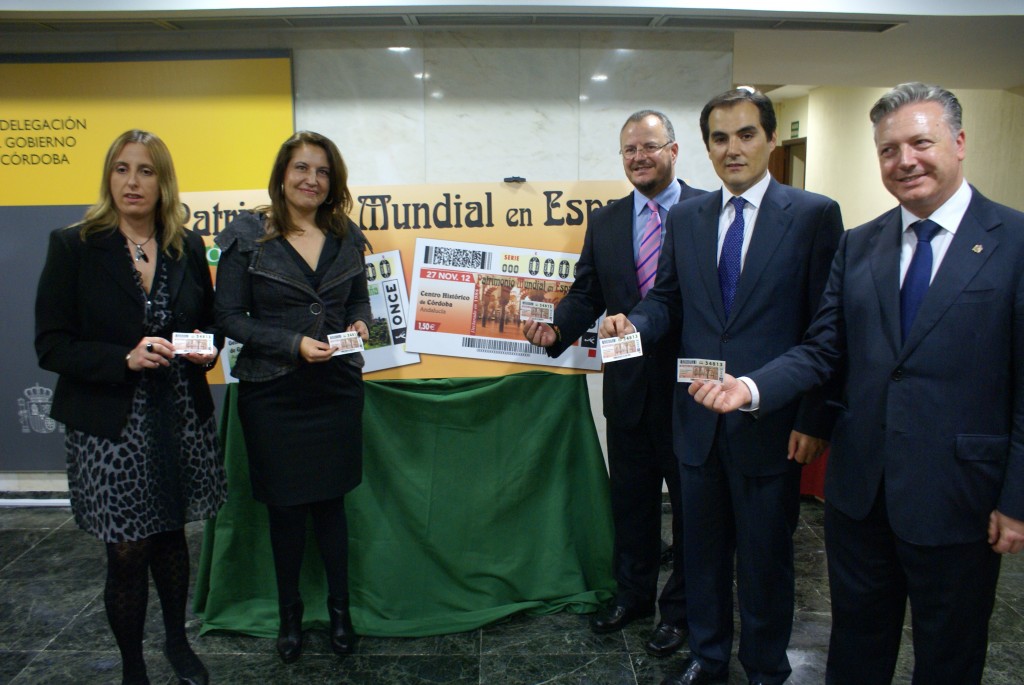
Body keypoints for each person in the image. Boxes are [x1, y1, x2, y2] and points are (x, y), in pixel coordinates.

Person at [689, 82, 1024, 685]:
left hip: (959, 497)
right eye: (888, 150)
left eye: (920, 143)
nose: (904, 161)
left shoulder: (1015, 242)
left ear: (959, 142)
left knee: (949, 657)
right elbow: (825, 348)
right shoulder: (861, 243)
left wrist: (1018, 499)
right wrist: (753, 388)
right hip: (860, 493)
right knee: (855, 651)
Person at [602, 88, 844, 685]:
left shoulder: (813, 215)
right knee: (701, 554)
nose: (732, 149)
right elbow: (668, 298)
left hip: (771, 423)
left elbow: (828, 328)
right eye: (719, 138)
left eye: (745, 135)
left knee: (765, 561)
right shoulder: (689, 217)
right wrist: (635, 323)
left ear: (770, 139)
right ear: (705, 148)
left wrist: (814, 419)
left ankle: (764, 668)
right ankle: (708, 658)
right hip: (697, 420)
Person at [35, 130, 226, 685]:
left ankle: (177, 643)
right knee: (126, 551)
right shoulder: (73, 246)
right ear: (108, 177)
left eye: (145, 171)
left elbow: (209, 323)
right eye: (122, 169)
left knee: (171, 537)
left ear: (163, 181)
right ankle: (133, 666)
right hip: (111, 426)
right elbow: (52, 345)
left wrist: (205, 347)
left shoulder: (186, 246)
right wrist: (123, 357)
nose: (132, 182)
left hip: (179, 415)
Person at [524, 110, 703, 657]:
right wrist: (557, 328)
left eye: (649, 146)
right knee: (632, 503)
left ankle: (682, 611)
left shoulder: (707, 212)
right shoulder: (606, 221)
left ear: (674, 151)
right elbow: (588, 292)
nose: (638, 157)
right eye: (629, 150)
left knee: (693, 511)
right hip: (628, 389)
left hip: (694, 391)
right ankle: (633, 596)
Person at [214, 131, 370, 664]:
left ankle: (341, 614)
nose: (312, 179)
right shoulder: (247, 236)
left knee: (331, 506)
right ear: (282, 175)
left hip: (336, 390)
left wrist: (359, 323)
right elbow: (228, 317)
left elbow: (360, 302)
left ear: (333, 181)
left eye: (323, 171)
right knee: (284, 510)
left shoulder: (346, 235)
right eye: (301, 168)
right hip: (273, 392)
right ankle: (290, 617)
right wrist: (291, 343)